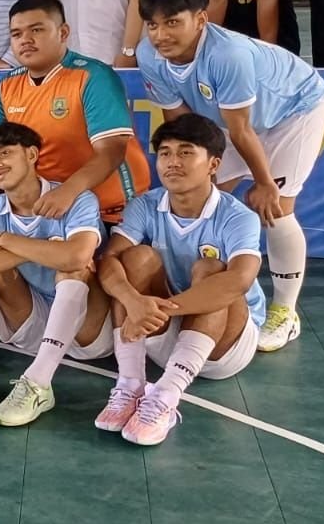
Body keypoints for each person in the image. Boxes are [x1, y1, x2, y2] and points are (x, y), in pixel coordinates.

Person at [136, 0, 324, 351]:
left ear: (201, 19)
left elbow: (242, 132)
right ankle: (206, 293)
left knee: (276, 209)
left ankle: (284, 312)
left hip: (294, 110)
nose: (161, 35)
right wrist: (191, 174)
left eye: (173, 22)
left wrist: (263, 184)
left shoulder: (228, 55)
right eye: (152, 24)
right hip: (229, 121)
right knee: (197, 200)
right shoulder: (150, 54)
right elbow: (181, 125)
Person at [97, 113, 267, 446]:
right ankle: (130, 385)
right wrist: (134, 302)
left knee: (211, 270)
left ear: (213, 164)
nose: (173, 162)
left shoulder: (237, 217)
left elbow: (239, 282)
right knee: (135, 258)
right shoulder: (145, 205)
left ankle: (166, 398)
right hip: (166, 336)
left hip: (225, 348)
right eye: (165, 153)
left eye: (186, 152)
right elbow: (109, 261)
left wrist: (157, 311)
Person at [0, 123, 113, 423]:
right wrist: (48, 252)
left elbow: (76, 256)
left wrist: (4, 241)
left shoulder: (75, 199)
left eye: (5, 154)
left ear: (32, 154)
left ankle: (39, 384)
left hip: (88, 334)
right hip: (31, 324)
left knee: (73, 273)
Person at [0, 0, 150, 224]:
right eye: (16, 34)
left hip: (109, 211)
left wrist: (68, 192)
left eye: (36, 30)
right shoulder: (6, 86)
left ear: (63, 32)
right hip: (44, 210)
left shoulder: (93, 76)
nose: (25, 40)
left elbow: (111, 151)